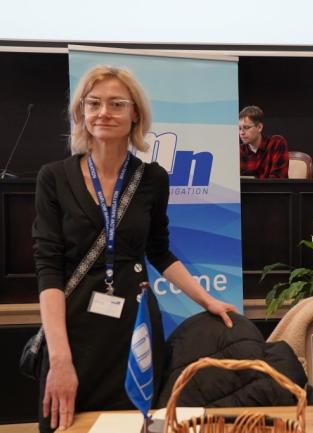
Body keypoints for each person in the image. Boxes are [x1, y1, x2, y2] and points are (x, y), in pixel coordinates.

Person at [33, 65, 239, 432]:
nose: (104, 112)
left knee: (133, 424)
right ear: (81, 112)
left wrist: (206, 300)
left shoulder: (152, 178)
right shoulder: (54, 177)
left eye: (116, 104)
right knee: (64, 425)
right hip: (72, 331)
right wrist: (60, 359)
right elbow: (48, 268)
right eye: (93, 103)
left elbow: (159, 251)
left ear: (135, 115)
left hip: (134, 330)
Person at [239, 105, 289, 178]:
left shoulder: (276, 143)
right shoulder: (240, 150)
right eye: (239, 128)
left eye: (246, 127)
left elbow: (278, 179)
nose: (241, 133)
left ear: (259, 127)